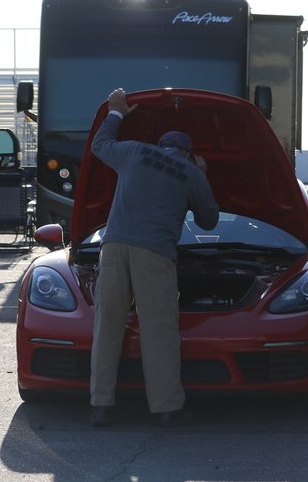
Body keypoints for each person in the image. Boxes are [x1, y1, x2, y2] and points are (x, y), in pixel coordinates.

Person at [89, 88, 219, 427]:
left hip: (113, 246)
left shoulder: (133, 151)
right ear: (188, 154)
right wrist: (202, 175)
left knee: (108, 326)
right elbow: (209, 221)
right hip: (154, 252)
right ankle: (166, 409)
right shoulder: (190, 172)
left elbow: (99, 146)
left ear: (161, 144)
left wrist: (116, 112)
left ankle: (100, 405)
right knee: (158, 330)